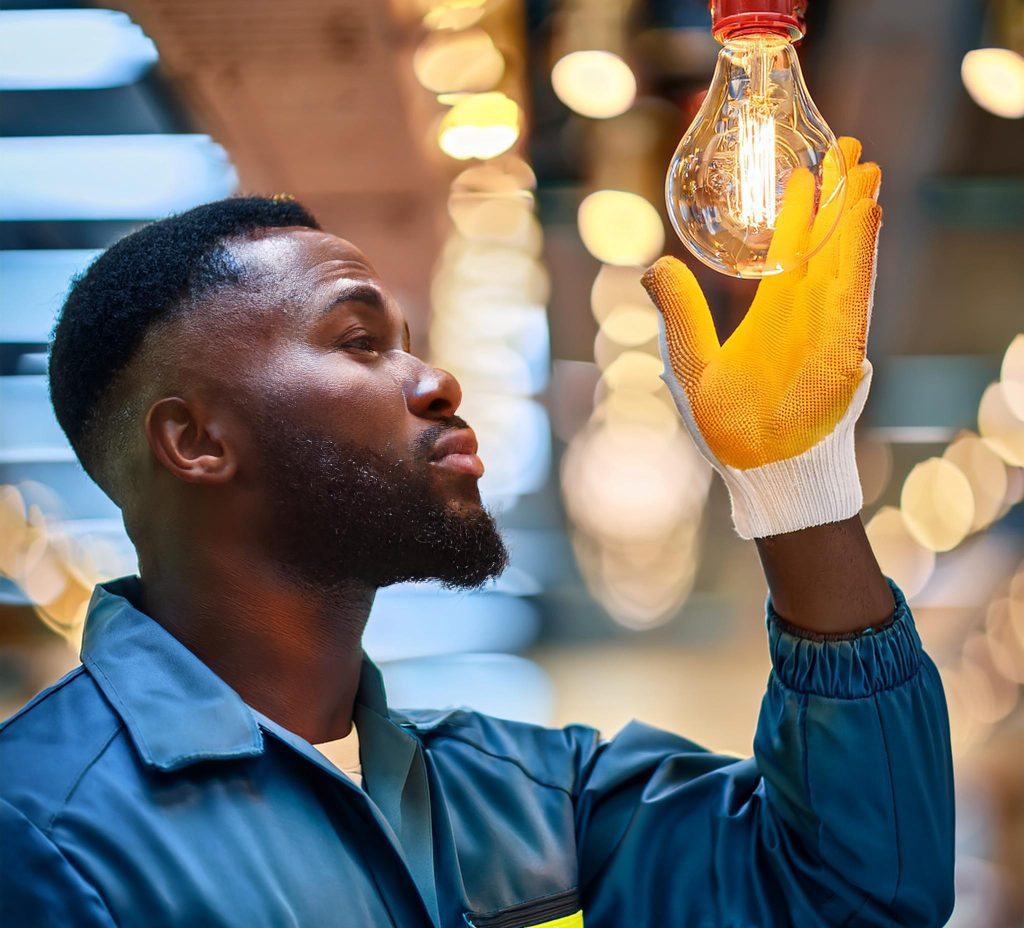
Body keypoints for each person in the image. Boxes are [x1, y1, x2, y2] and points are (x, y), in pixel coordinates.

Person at [0, 138, 954, 928]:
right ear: (196, 440)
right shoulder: (45, 826)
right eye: (361, 342)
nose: (434, 380)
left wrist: (796, 489)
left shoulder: (517, 800)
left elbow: (850, 893)